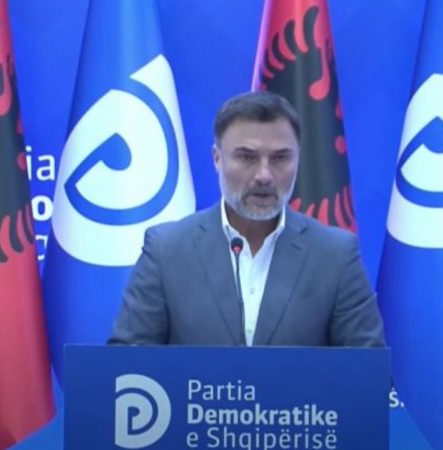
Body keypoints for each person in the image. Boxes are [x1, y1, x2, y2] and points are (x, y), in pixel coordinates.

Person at [109, 91, 385, 347]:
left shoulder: (335, 256)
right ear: (217, 159)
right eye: (246, 157)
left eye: (280, 158)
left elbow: (367, 371)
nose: (264, 175)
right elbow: (126, 365)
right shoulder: (166, 250)